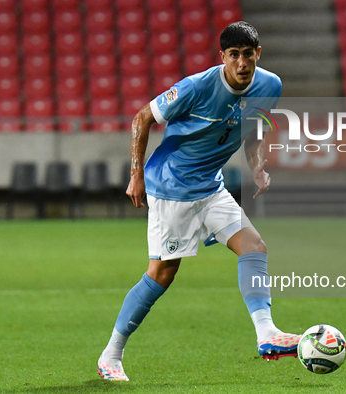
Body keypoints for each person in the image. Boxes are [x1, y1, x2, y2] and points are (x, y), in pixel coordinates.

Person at [97, 22, 301, 381]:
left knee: (254, 247)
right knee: (162, 274)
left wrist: (256, 167)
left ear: (258, 54)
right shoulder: (196, 87)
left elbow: (254, 129)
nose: (242, 63)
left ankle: (267, 334)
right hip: (172, 188)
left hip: (211, 187)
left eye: (248, 54)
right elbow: (142, 118)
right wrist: (136, 174)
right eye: (234, 55)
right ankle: (111, 354)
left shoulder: (271, 85)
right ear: (222, 56)